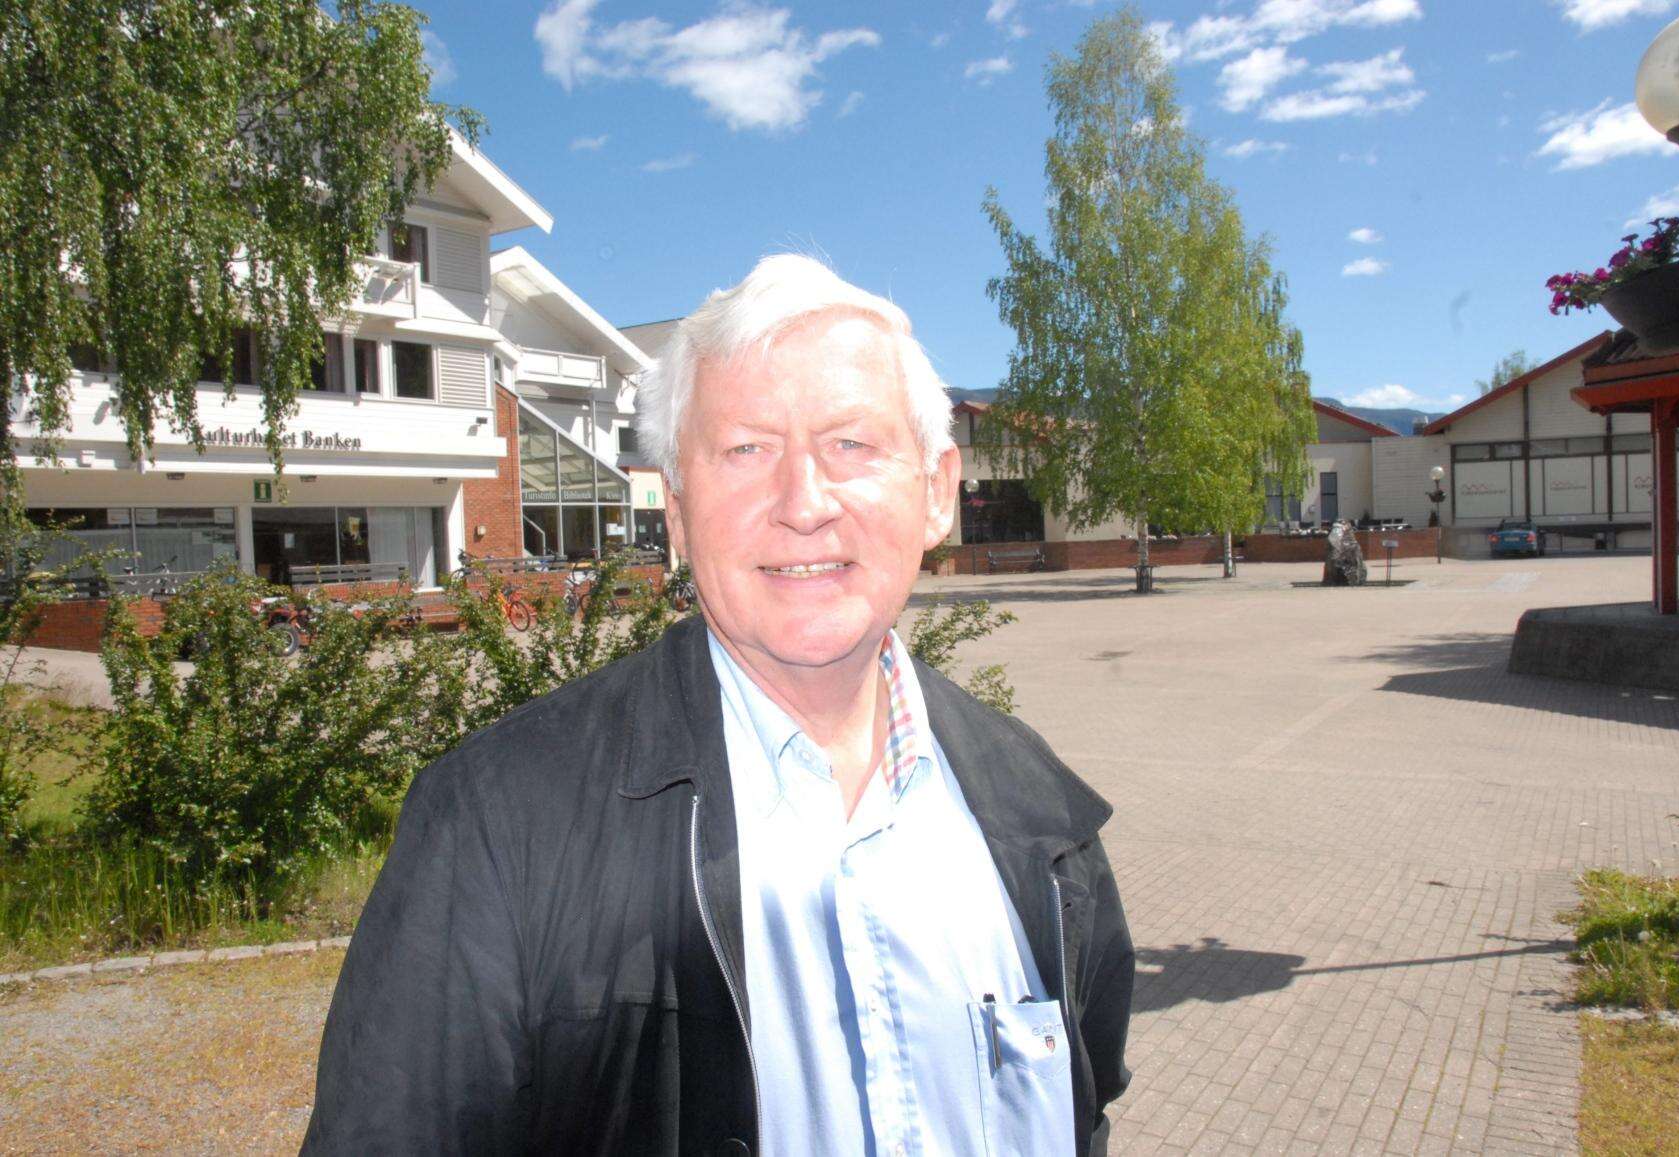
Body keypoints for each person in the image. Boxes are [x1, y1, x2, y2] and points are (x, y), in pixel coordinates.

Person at [303, 255, 1134, 1155]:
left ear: (937, 491)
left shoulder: (1043, 815)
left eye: (851, 444)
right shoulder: (493, 829)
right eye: (747, 450)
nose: (804, 503)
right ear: (676, 509)